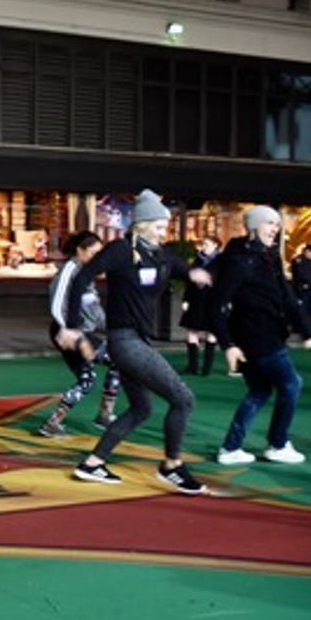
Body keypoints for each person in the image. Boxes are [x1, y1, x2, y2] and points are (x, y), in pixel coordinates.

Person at [57, 189, 212, 494]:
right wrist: (73, 327)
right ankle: (171, 466)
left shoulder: (161, 254)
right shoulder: (120, 250)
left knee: (141, 408)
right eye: (159, 225)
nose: (164, 231)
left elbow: (186, 269)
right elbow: (81, 278)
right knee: (183, 400)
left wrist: (198, 274)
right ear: (142, 224)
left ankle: (93, 463)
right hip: (125, 342)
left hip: (137, 341)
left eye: (166, 225)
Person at [212, 206, 311, 465]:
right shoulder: (240, 261)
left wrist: (307, 329)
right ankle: (278, 443)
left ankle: (231, 448)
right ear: (253, 226)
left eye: (276, 224)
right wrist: (228, 344)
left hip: (265, 335)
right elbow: (216, 304)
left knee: (260, 390)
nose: (275, 229)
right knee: (292, 384)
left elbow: (287, 297)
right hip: (259, 337)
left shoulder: (269, 257)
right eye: (269, 223)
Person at [38, 231, 120, 437]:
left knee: (87, 379)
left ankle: (53, 423)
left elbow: (94, 309)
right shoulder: (69, 270)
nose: (98, 258)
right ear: (80, 250)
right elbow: (57, 304)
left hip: (81, 332)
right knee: (118, 360)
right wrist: (74, 335)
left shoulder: (86, 274)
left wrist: (114, 327)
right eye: (94, 253)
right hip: (67, 331)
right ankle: (104, 414)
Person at [179, 237, 220, 375]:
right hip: (196, 300)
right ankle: (193, 366)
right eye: (203, 244)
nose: (204, 246)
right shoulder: (198, 260)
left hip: (213, 300)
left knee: (212, 332)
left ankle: (206, 368)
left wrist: (225, 300)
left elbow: (226, 282)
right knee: (192, 331)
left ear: (215, 245)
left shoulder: (222, 261)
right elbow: (189, 281)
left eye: (207, 244)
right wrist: (186, 300)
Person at [291, 243, 311, 315]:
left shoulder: (309, 261)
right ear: (307, 251)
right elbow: (303, 276)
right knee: (303, 311)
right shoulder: (299, 260)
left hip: (309, 290)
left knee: (309, 311)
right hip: (302, 290)